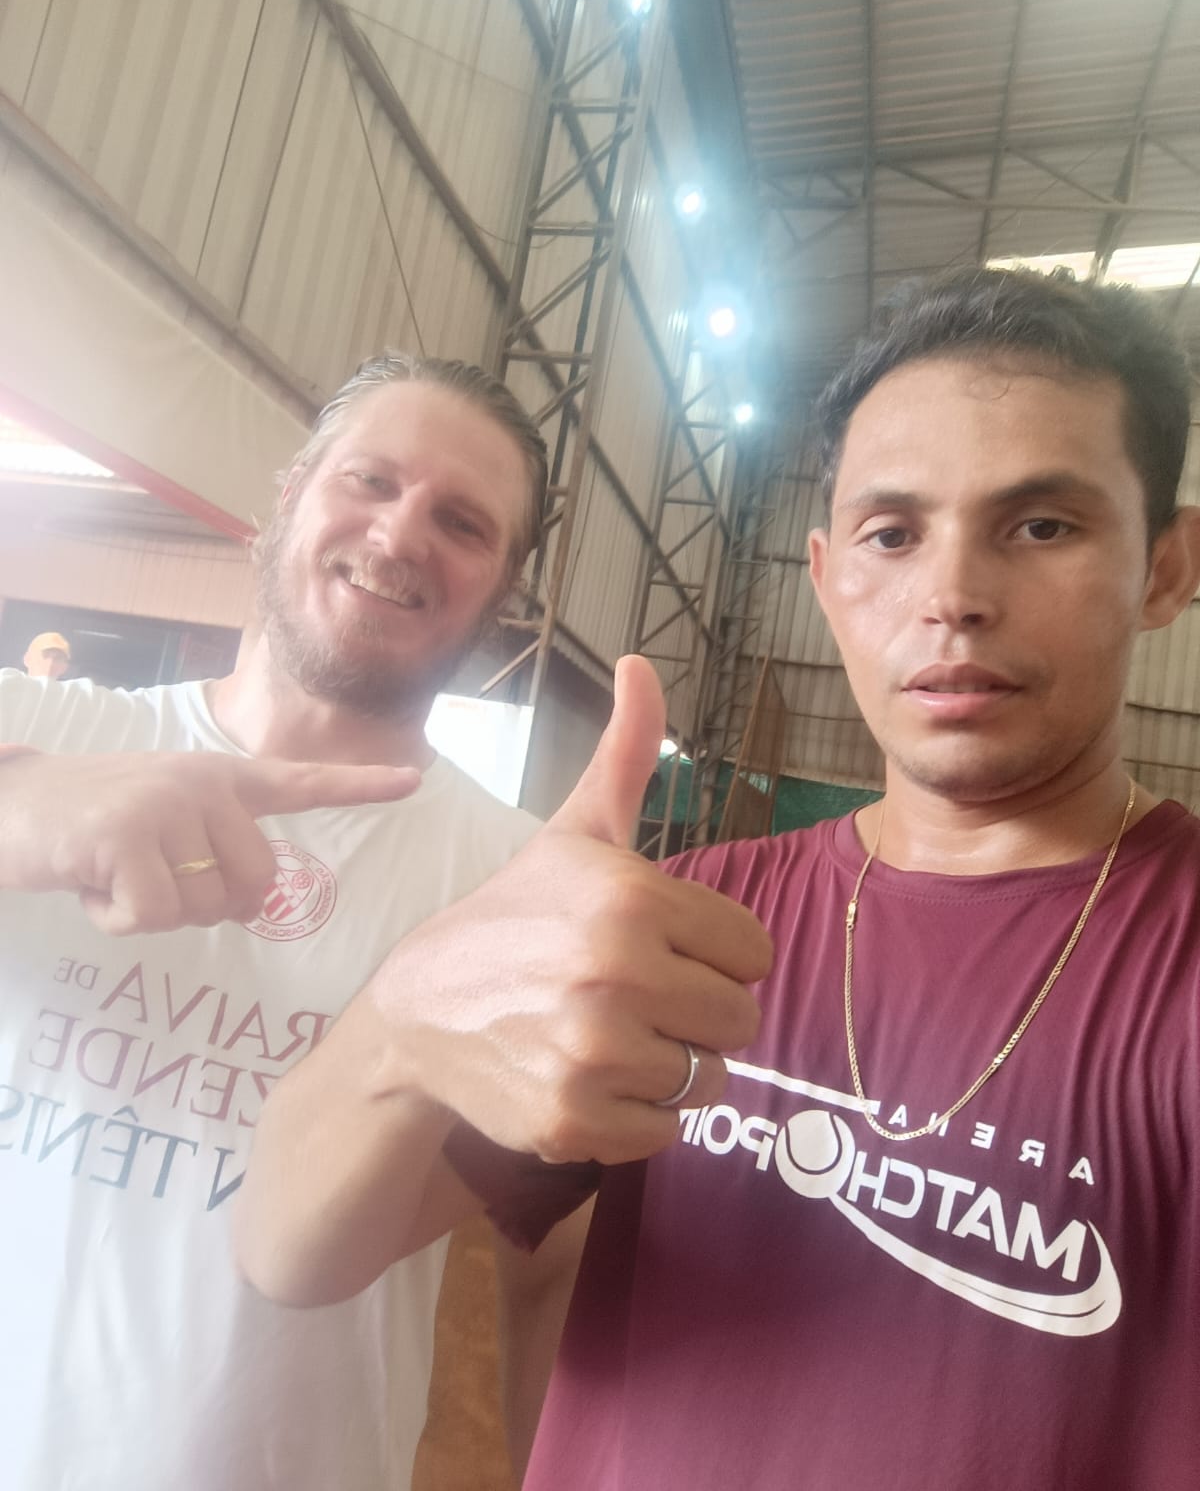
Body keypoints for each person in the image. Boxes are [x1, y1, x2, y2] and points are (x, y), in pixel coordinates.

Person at [239, 268, 1200, 1489]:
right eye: (893, 535)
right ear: (827, 576)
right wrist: (406, 1012)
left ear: (1165, 568)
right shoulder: (690, 921)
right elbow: (294, 1252)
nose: (953, 597)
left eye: (1043, 526)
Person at [0, 352, 587, 1491]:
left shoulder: (523, 886)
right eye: (371, 479)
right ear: (288, 495)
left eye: (462, 521)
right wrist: (18, 809)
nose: (401, 533)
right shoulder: (40, 731)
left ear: (505, 588)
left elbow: (550, 1261)